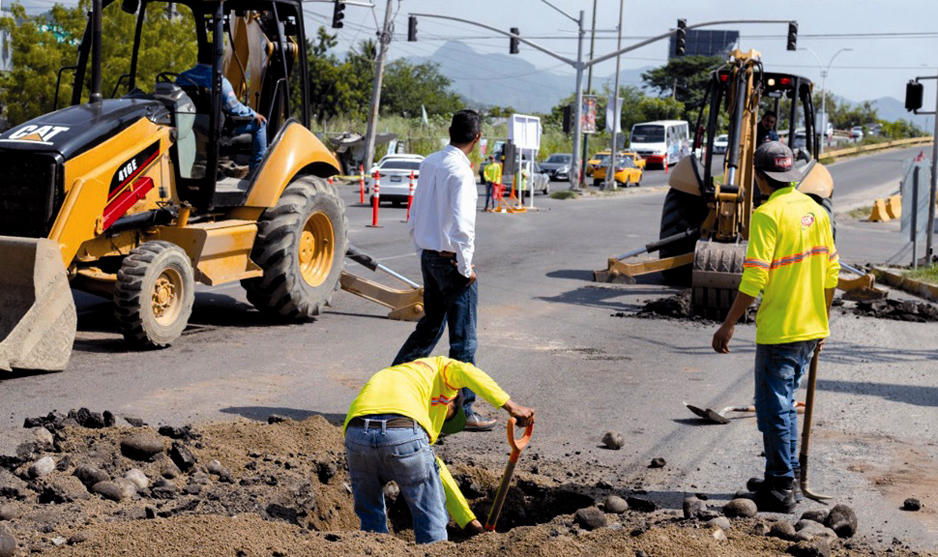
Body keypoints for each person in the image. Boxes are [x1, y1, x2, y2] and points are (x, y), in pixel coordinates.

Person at [711, 141, 839, 514]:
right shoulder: (817, 212)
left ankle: (781, 488)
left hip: (781, 330)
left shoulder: (768, 215)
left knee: (775, 407)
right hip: (811, 327)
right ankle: (784, 475)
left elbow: (754, 278)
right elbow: (831, 273)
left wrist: (728, 324)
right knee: (783, 404)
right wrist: (823, 323)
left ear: (759, 176)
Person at [344, 356, 535, 544]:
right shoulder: (441, 368)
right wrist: (511, 406)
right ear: (452, 399)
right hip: (401, 430)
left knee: (370, 518)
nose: (442, 422)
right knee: (431, 518)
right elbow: (467, 370)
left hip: (356, 434)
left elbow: (438, 469)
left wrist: (471, 523)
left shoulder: (395, 376)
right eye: (447, 416)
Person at [391, 110, 496, 431]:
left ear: (450, 132)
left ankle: (394, 388)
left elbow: (416, 211)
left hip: (429, 257)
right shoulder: (461, 172)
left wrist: (422, 249)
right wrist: (465, 267)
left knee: (430, 326)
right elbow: (464, 226)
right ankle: (464, 411)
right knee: (463, 340)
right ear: (477, 139)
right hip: (451, 262)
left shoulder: (430, 162)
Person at [177, 42, 268, 177]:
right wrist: (254, 114)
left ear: (198, 57)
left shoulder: (182, 78)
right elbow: (234, 108)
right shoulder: (219, 81)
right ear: (218, 58)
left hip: (188, 128)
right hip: (214, 129)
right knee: (260, 124)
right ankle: (257, 171)